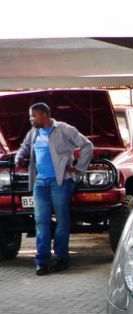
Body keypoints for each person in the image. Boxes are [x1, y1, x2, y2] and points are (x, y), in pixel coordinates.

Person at [14, 102, 93, 275]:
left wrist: (79, 168)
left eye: (32, 116)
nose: (30, 119)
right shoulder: (33, 133)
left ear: (43, 115)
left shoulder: (64, 129)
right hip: (40, 183)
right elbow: (24, 148)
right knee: (41, 222)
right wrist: (19, 157)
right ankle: (42, 261)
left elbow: (87, 145)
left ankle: (61, 258)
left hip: (61, 182)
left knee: (62, 220)